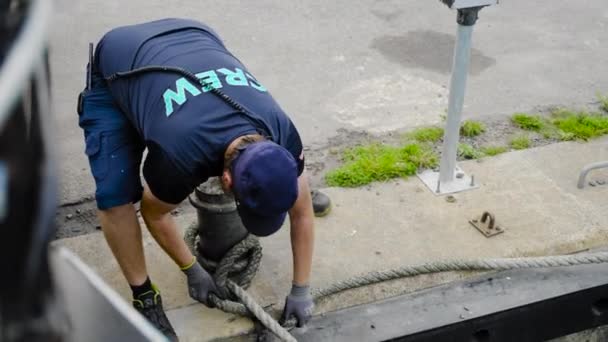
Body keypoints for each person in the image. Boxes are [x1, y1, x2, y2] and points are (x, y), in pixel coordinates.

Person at [77, 18, 330, 341]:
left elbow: (301, 212)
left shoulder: (280, 129)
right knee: (115, 197)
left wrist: (301, 289)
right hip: (118, 65)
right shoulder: (179, 156)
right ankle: (144, 296)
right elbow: (154, 213)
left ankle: (274, 189)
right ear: (226, 179)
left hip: (194, 35)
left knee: (294, 187)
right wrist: (191, 268)